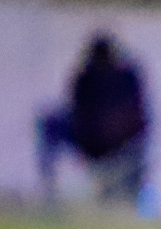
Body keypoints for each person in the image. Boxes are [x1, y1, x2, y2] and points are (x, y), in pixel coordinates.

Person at [37, 31, 151, 208]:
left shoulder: (124, 78)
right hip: (94, 140)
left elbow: (138, 116)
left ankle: (132, 195)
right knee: (50, 122)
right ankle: (49, 193)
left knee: (51, 123)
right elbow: (76, 109)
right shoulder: (87, 77)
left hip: (118, 142)